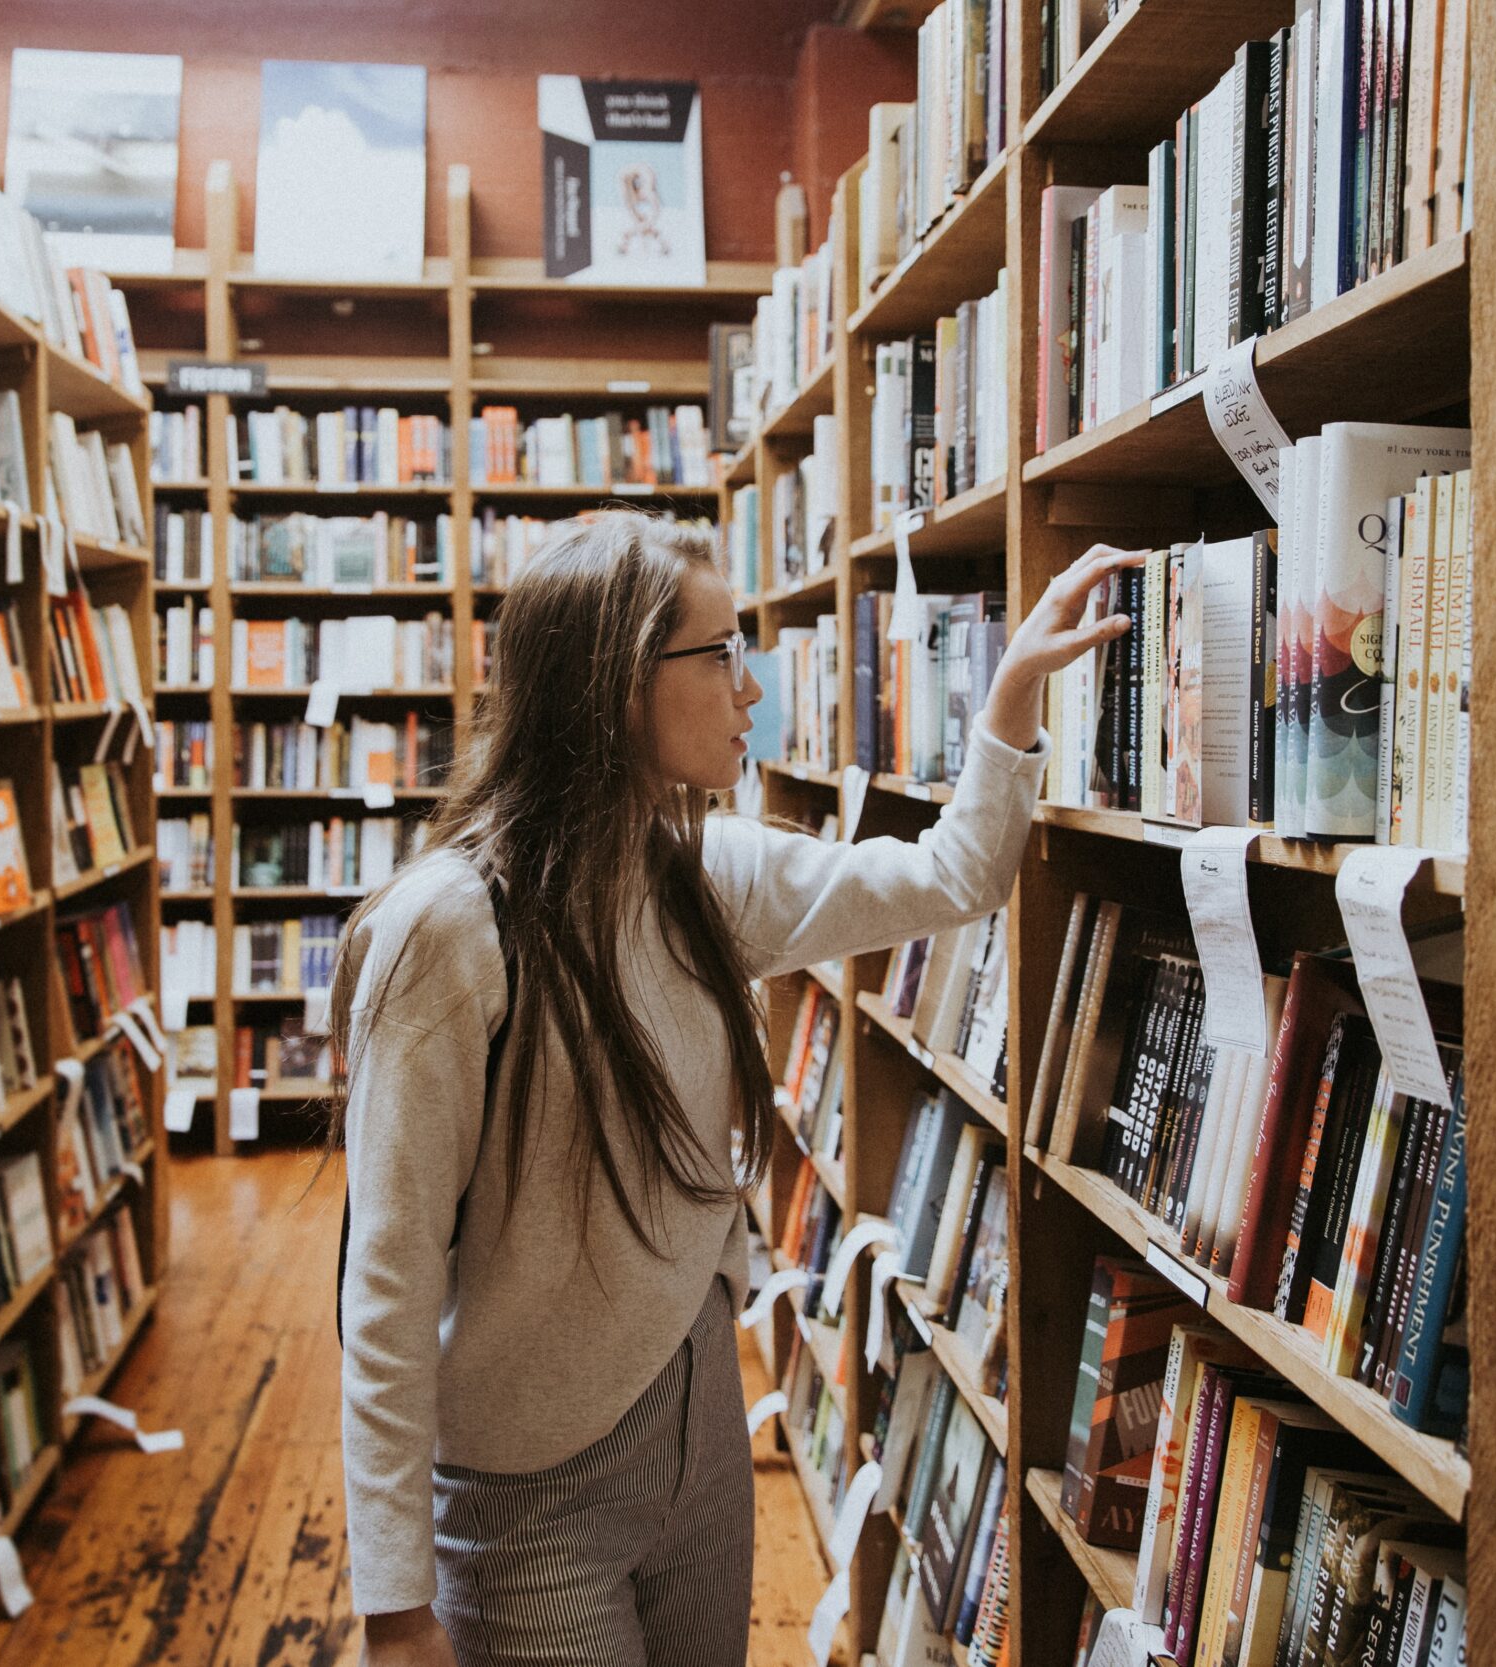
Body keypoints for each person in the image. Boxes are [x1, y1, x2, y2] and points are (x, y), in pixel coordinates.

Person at [334, 512, 1135, 1667]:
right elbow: (390, 1274)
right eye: (717, 653)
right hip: (527, 1490)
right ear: (616, 686)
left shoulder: (707, 872)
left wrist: (1007, 703)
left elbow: (953, 875)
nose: (751, 685)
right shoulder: (449, 931)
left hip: (698, 1424)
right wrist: (395, 1603)